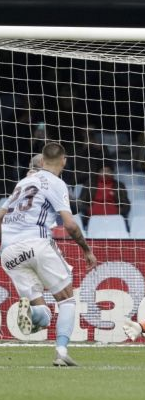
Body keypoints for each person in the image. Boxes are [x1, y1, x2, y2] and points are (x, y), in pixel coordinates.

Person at [0, 142, 98, 366]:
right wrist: (86, 250)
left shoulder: (22, 183)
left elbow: (1, 213)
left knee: (42, 314)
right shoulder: (57, 183)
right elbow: (71, 225)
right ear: (64, 161)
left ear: (42, 161)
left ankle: (33, 315)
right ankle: (61, 352)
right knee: (67, 300)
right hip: (36, 242)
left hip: (8, 252)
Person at [77, 163, 130, 229]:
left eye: (108, 171)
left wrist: (119, 210)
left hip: (115, 218)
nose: (105, 173)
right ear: (98, 172)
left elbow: (126, 205)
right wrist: (89, 210)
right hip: (93, 218)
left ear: (112, 172)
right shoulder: (90, 183)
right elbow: (81, 201)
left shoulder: (119, 185)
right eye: (103, 171)